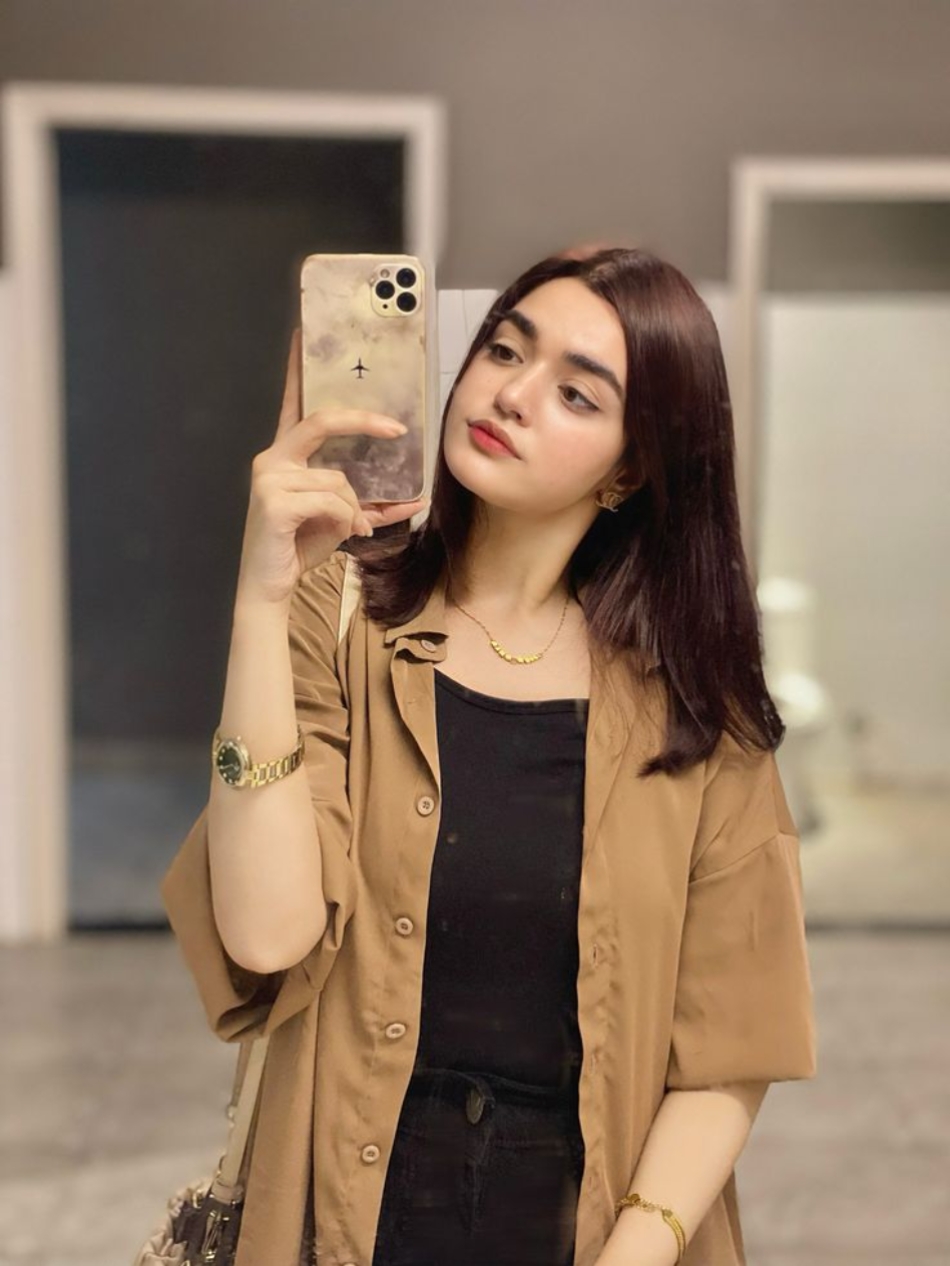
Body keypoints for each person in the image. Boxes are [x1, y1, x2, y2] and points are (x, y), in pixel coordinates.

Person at [161, 245, 817, 1266]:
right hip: (347, 1224)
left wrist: (636, 1249)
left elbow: (731, 1047)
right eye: (505, 349)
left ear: (630, 468)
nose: (511, 394)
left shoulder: (698, 713)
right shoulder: (341, 619)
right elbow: (266, 934)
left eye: (575, 393)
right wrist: (262, 599)